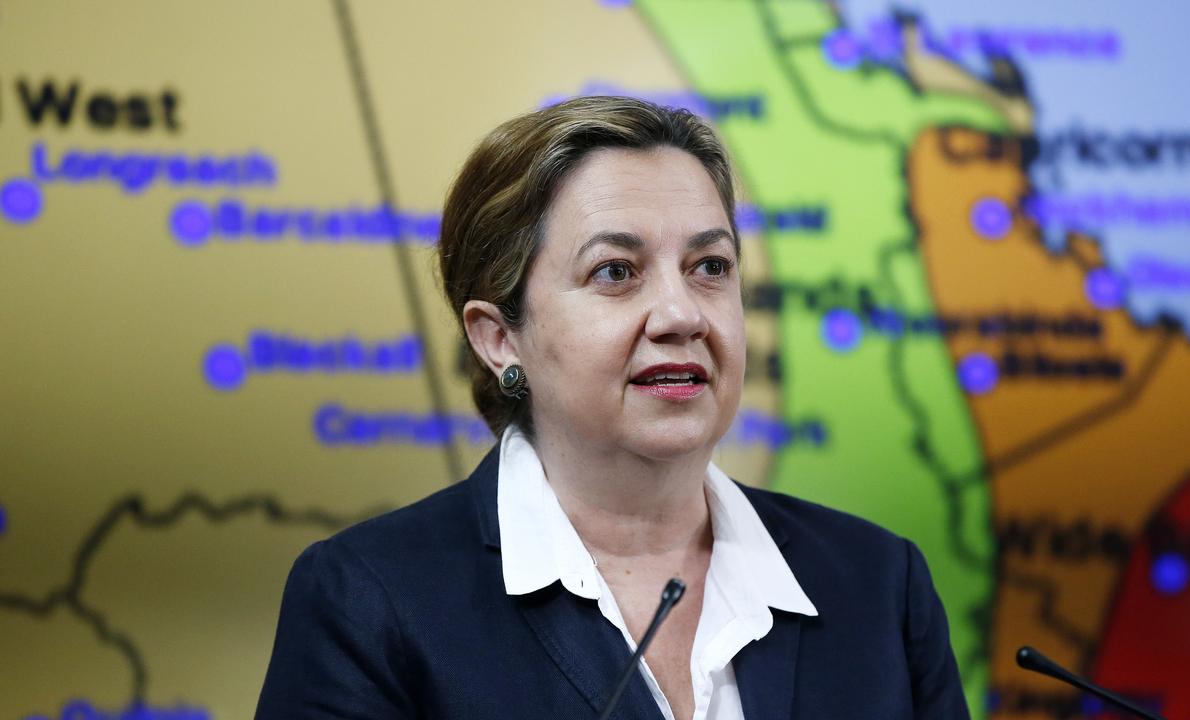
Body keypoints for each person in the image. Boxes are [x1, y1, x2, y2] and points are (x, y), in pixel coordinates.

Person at [255, 96, 968, 720]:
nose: (681, 314)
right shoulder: (372, 600)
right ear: (500, 337)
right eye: (616, 272)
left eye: (709, 267)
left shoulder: (878, 586)